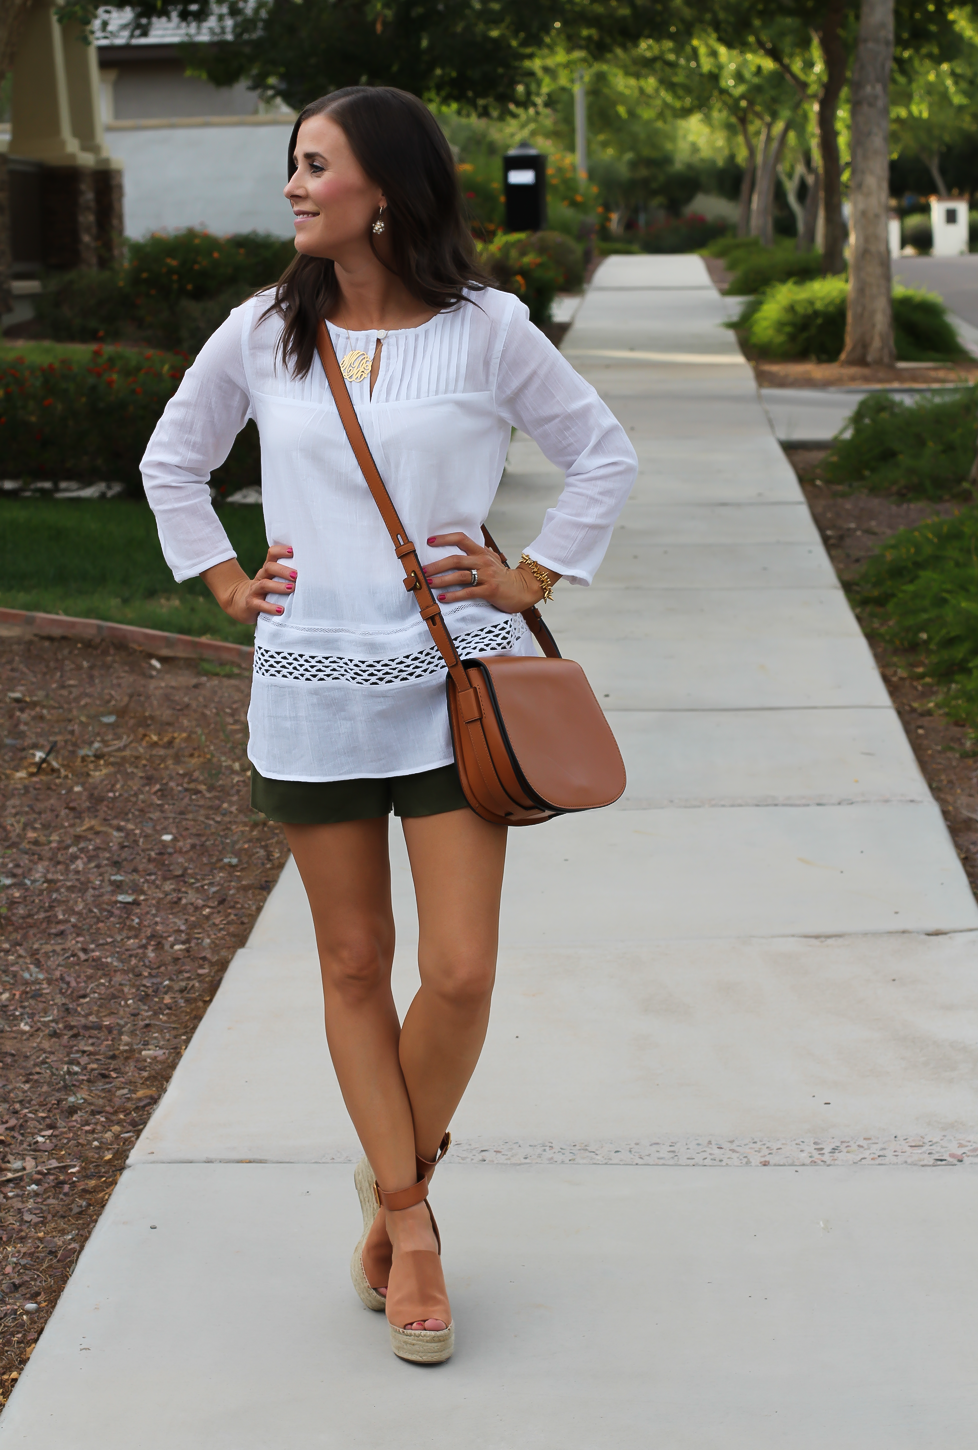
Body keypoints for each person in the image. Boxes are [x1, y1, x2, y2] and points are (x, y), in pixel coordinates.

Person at [141, 85, 636, 1365]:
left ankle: (387, 1167)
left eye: (318, 166)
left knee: (460, 971)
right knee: (355, 963)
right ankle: (409, 1223)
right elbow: (172, 460)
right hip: (311, 684)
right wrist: (226, 583)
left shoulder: (488, 331)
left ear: (389, 188)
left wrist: (533, 573)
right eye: (292, 167)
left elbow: (602, 452)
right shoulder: (263, 331)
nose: (297, 188)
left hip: (454, 685)